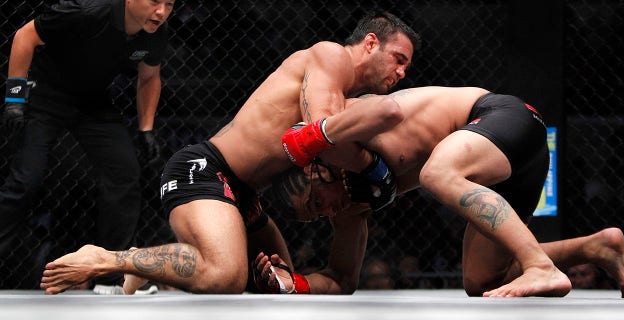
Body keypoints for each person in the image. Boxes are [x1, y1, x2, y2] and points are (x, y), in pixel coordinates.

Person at [40, 11, 421, 294]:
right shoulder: (331, 56)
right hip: (205, 170)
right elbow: (319, 128)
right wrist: (375, 170)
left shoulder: (347, 93)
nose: (401, 72)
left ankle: (148, 264)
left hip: (244, 194)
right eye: (398, 59)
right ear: (370, 43)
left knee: (278, 282)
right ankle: (107, 258)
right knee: (226, 275)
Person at [256, 86, 624, 297]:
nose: (327, 211)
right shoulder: (353, 204)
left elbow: (383, 109)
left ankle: (539, 266)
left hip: (505, 118)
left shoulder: (348, 133)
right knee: (481, 281)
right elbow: (342, 278)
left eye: (316, 202)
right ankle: (596, 247)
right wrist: (295, 284)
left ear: (314, 168)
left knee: (438, 174)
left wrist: (309, 139)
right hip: (505, 167)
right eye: (317, 216)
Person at [0, 0, 173, 292]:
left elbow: (149, 77)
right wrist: (15, 100)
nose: (162, 12)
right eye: (155, 1)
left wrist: (147, 130)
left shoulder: (154, 32)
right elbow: (25, 36)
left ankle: (109, 278)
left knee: (125, 172)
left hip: (92, 103)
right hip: (47, 94)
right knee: (24, 182)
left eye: (169, 4)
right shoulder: (86, 10)